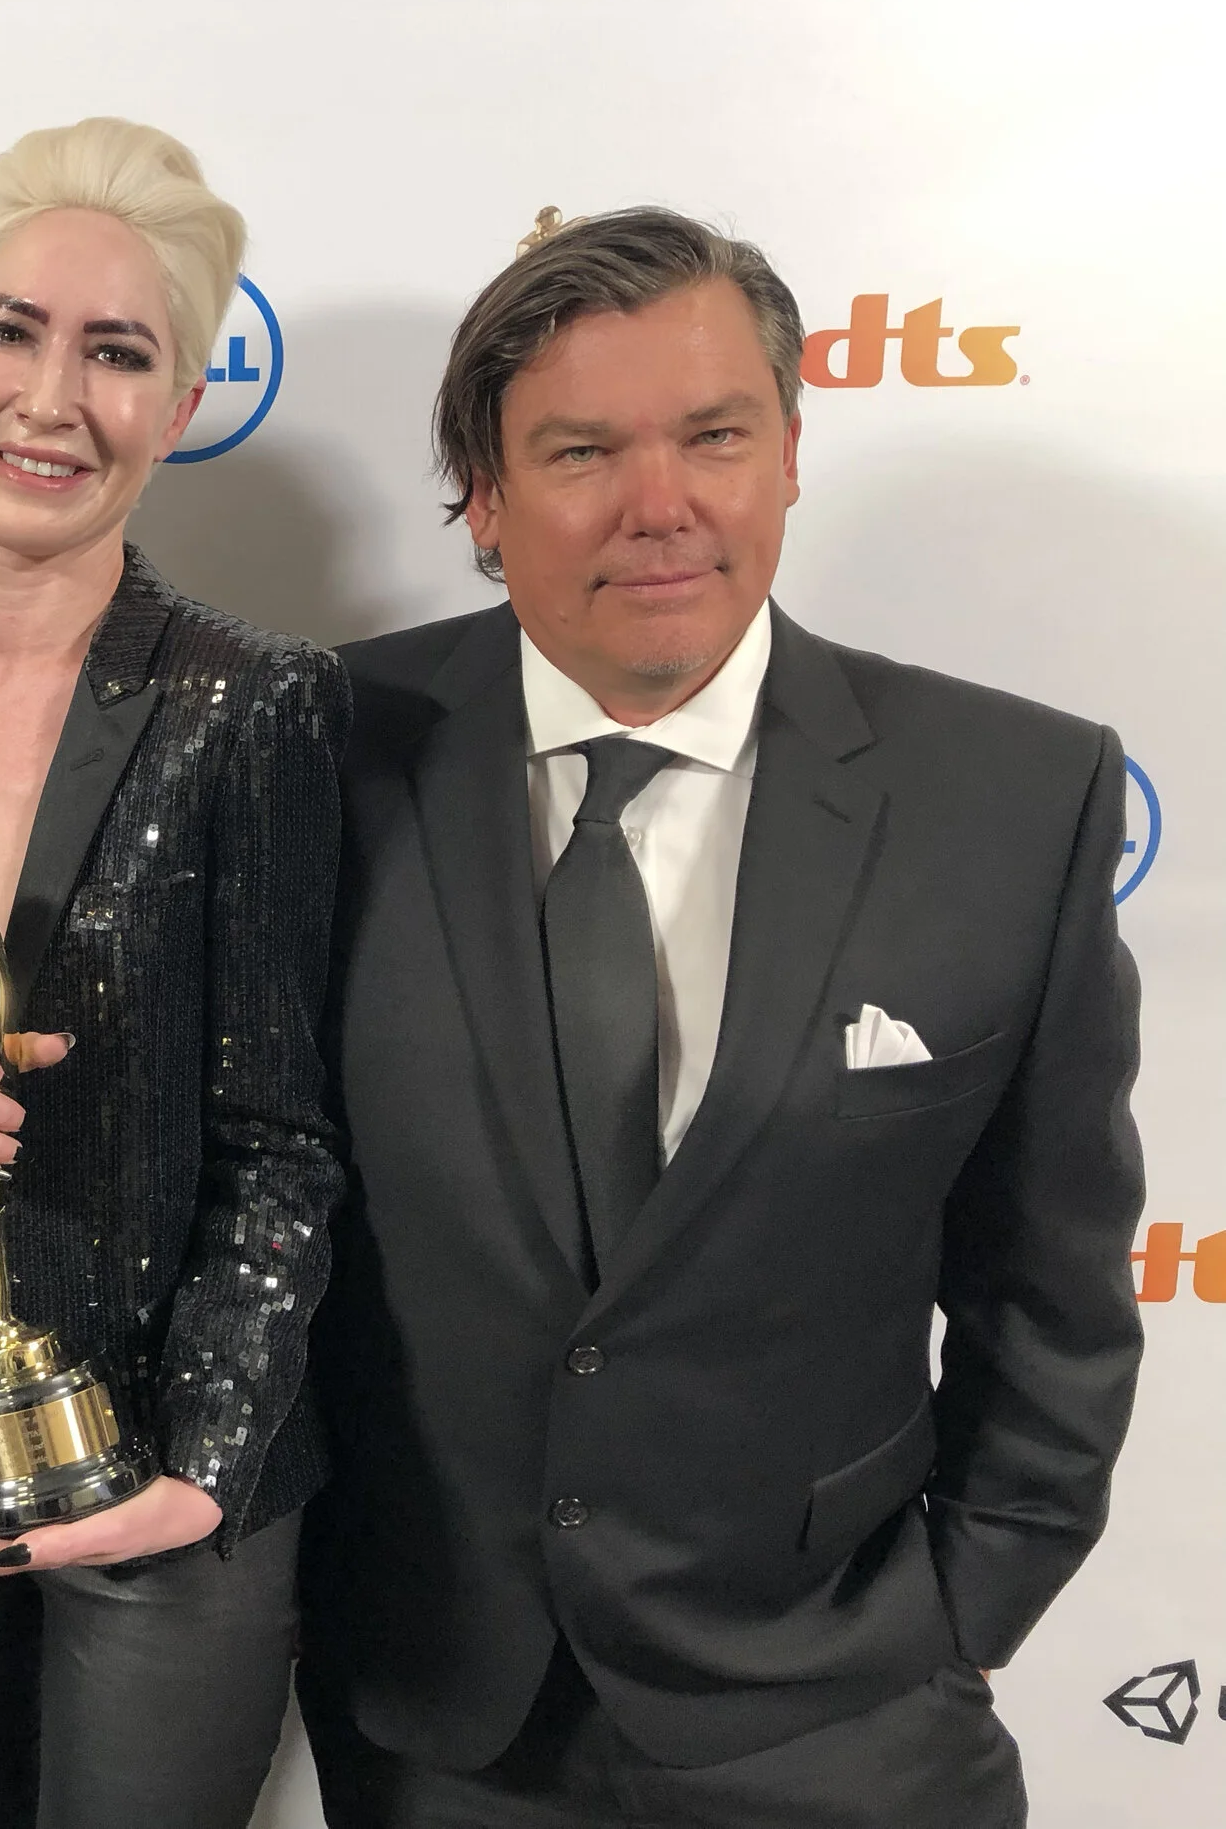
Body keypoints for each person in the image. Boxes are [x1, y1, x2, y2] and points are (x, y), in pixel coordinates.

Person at [302, 206, 1145, 1826]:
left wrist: (963, 1611)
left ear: (793, 451)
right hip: (440, 1724)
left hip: (849, 1705)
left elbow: (1054, 1285)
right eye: (581, 451)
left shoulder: (1014, 794)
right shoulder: (315, 755)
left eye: (715, 435)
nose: (662, 505)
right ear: (483, 493)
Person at [0, 119, 347, 1829]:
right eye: (11, 332)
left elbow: (287, 1140)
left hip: (163, 1485)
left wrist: (199, 1469)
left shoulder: (253, 701)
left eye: (117, 352)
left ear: (179, 403)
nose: (49, 397)